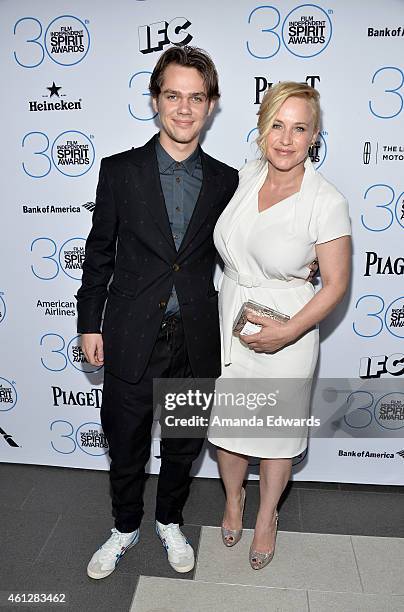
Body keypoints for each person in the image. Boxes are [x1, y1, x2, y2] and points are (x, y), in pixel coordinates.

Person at [76, 45, 238, 579]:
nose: (184, 108)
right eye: (173, 95)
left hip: (195, 334)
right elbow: (99, 252)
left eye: (196, 97)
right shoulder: (119, 171)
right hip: (127, 332)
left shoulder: (226, 181)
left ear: (211, 105)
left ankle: (168, 519)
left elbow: (245, 249)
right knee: (124, 442)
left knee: (183, 443)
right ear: (155, 101)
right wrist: (88, 323)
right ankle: (124, 526)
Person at [208, 82, 351, 569]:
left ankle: (267, 516)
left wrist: (287, 332)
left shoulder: (325, 200)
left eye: (299, 128)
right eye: (277, 125)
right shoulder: (244, 177)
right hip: (231, 319)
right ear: (261, 128)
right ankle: (233, 500)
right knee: (229, 431)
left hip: (288, 328)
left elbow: (333, 284)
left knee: (276, 437)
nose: (286, 139)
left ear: (314, 137)